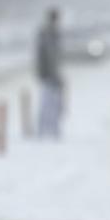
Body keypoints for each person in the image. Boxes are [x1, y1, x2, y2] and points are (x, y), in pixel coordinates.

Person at [35, 8, 64, 137]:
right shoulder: (49, 34)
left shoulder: (49, 33)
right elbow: (50, 56)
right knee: (49, 103)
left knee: (50, 103)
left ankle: (49, 129)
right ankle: (47, 130)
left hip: (48, 73)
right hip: (49, 74)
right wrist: (55, 75)